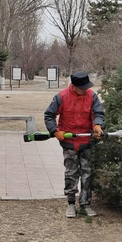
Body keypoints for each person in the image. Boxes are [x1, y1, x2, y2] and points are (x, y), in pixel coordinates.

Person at [44, 71, 105, 218]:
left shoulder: (92, 96)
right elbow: (49, 115)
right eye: (82, 87)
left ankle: (85, 204)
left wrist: (97, 125)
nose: (85, 89)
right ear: (74, 86)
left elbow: (98, 113)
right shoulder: (62, 97)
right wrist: (55, 130)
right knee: (71, 174)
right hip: (69, 142)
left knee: (87, 173)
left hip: (86, 141)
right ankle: (71, 204)